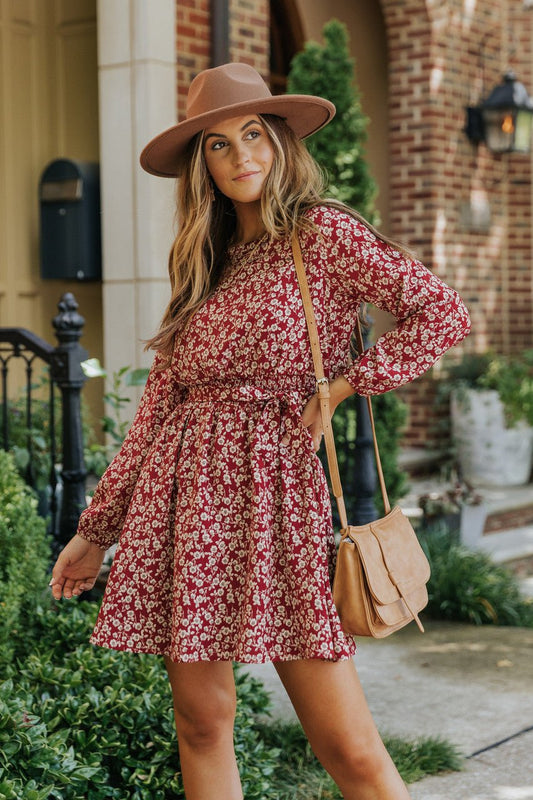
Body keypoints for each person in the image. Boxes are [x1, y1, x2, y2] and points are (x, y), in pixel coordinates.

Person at [50, 62, 470, 800]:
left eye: (252, 135)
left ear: (278, 142)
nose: (239, 155)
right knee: (201, 724)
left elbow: (441, 313)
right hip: (181, 504)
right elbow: (158, 410)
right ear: (201, 167)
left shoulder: (324, 235)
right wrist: (97, 529)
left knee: (347, 747)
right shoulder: (205, 262)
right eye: (216, 144)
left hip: (274, 499)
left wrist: (343, 385)